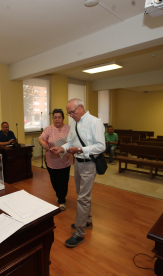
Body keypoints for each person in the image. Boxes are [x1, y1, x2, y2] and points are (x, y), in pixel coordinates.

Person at [50, 98, 105, 248]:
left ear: (81, 108)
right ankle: (87, 220)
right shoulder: (74, 123)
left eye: (72, 112)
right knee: (82, 195)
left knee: (83, 198)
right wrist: (61, 149)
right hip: (78, 164)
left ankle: (80, 233)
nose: (70, 116)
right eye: (68, 113)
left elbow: (101, 146)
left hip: (89, 164)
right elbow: (71, 143)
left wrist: (80, 150)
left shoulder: (95, 122)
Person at [38, 109, 73, 211]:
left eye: (59, 117)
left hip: (65, 160)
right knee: (54, 181)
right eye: (55, 117)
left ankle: (62, 200)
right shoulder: (49, 129)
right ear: (53, 118)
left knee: (63, 181)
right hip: (51, 160)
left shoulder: (69, 129)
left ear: (63, 118)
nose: (57, 119)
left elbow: (73, 141)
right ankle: (59, 194)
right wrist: (43, 143)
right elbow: (40, 138)